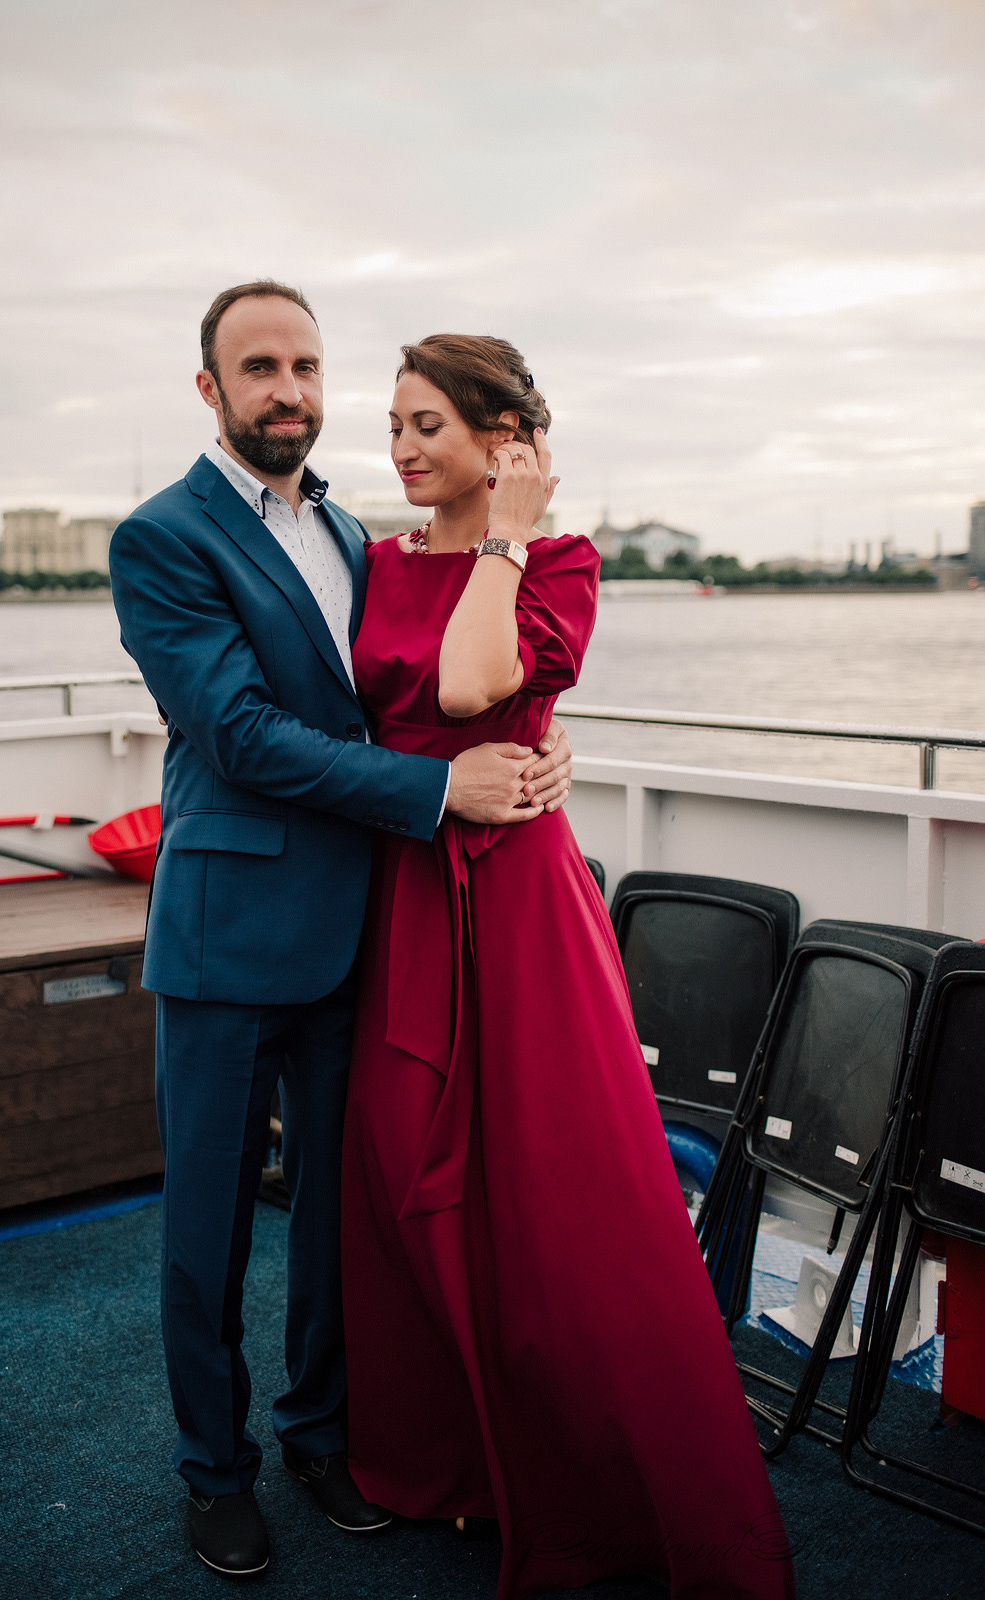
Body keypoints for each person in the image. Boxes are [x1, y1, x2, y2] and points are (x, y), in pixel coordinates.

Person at [106, 281, 575, 1579]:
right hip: (223, 934)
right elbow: (241, 736)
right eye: (257, 368)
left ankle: (321, 1436)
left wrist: (534, 742)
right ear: (210, 390)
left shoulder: (358, 533)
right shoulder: (161, 539)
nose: (288, 392)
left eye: (305, 365)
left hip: (358, 928)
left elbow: (408, 696)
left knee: (333, 1218)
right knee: (206, 1229)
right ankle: (216, 1473)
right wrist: (436, 794)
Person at [341, 334, 795, 1600]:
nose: (400, 447)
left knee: (555, 1182)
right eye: (391, 425)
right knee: (403, 1162)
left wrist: (505, 539)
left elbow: (474, 676)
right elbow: (381, 717)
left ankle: (584, 1480)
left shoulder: (560, 561)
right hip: (406, 887)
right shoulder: (369, 563)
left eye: (427, 424)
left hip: (525, 903)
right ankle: (450, 1462)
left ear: (503, 440)